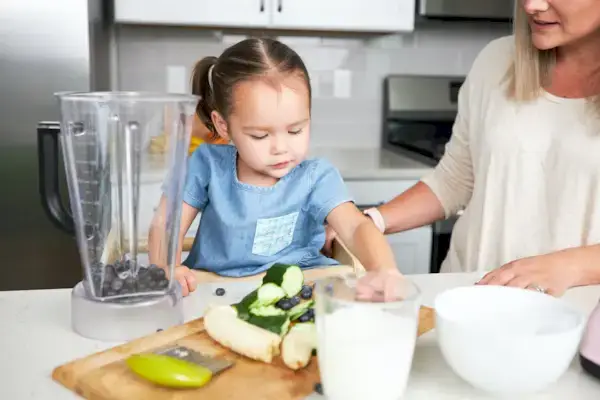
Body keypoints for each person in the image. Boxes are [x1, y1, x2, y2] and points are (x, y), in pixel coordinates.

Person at [326, 0, 600, 297]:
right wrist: (369, 223)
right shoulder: (497, 61)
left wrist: (568, 266)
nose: (531, 5)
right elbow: (455, 179)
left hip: (574, 314)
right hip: (466, 296)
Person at [149, 38, 399, 296]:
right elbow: (166, 222)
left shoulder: (316, 177)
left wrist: (384, 269)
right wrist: (166, 266)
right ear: (224, 126)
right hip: (212, 293)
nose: (281, 147)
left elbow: (356, 226)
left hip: (298, 294)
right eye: (260, 135)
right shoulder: (206, 165)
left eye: (295, 130)